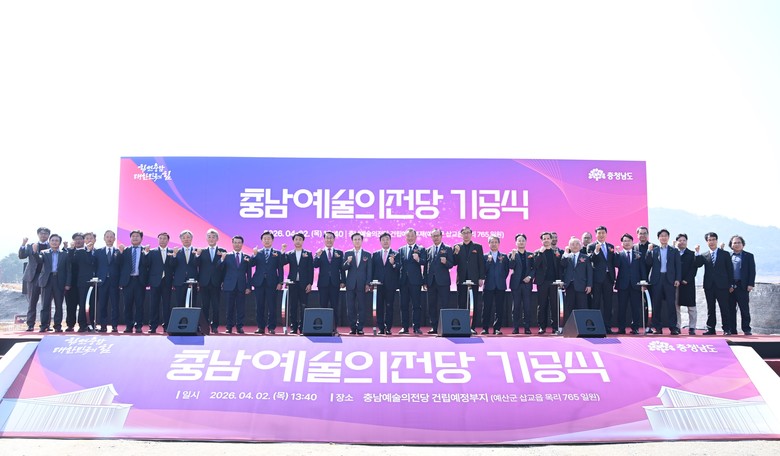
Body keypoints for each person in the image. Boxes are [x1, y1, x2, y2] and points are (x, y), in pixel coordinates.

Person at [694, 232, 734, 336]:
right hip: (709, 286)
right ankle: (711, 329)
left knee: (724, 308)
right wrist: (697, 253)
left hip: (722, 286)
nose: (711, 242)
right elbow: (698, 264)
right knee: (710, 308)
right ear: (706, 242)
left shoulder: (725, 254)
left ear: (716, 240)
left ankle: (727, 329)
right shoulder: (704, 255)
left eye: (713, 240)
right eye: (709, 240)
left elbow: (730, 270)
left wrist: (731, 284)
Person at [645, 229, 681, 335]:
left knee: (671, 304)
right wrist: (648, 251)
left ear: (668, 237)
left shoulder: (674, 250)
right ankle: (657, 327)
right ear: (658, 238)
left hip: (669, 279)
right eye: (661, 236)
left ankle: (673, 327)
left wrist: (677, 279)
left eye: (665, 236)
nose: (663, 237)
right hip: (657, 279)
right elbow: (648, 263)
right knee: (656, 304)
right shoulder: (654, 250)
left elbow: (678, 266)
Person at [250, 231, 285, 334]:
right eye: (264, 239)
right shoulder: (258, 252)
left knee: (272, 306)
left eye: (268, 238)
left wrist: (280, 282)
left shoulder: (277, 253)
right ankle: (260, 327)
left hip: (272, 282)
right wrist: (254, 255)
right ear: (262, 241)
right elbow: (251, 264)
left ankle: (271, 327)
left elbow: (280, 269)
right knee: (259, 306)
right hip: (259, 282)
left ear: (272, 240)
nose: (266, 240)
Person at [37, 234, 72, 332]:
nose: (54, 242)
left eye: (56, 240)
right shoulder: (44, 253)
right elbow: (38, 260)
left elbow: (68, 270)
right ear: (49, 242)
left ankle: (57, 325)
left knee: (59, 305)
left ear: (59, 243)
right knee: (45, 305)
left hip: (59, 280)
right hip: (47, 280)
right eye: (52, 240)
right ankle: (44, 325)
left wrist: (68, 283)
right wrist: (35, 252)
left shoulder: (65, 254)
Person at [453, 226, 485, 333]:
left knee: (473, 303)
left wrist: (481, 277)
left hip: (474, 279)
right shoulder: (457, 247)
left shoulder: (478, 247)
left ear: (471, 234)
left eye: (468, 233)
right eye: (464, 233)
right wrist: (456, 253)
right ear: (461, 235)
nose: (466, 235)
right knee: (461, 303)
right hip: (462, 278)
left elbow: (481, 263)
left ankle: (472, 327)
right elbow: (454, 262)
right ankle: (462, 326)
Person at [19, 227, 50, 331]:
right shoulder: (31, 245)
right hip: (33, 276)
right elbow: (21, 256)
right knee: (32, 302)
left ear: (48, 235)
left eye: (45, 234)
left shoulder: (52, 246)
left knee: (46, 302)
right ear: (38, 234)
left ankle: (46, 324)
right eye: (41, 233)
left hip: (46, 276)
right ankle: (30, 324)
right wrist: (23, 244)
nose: (43, 235)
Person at [313, 231, 344, 334]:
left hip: (335, 283)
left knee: (335, 306)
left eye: (331, 238)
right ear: (324, 239)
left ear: (334, 239)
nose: (329, 240)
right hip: (323, 284)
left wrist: (343, 281)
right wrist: (317, 256)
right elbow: (315, 265)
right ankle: (324, 328)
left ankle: (334, 328)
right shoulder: (320, 252)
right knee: (323, 305)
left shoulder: (339, 253)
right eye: (327, 238)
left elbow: (342, 268)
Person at [587, 226, 617, 334]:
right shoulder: (591, 246)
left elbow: (612, 262)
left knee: (608, 303)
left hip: (608, 278)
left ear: (606, 234)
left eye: (603, 233)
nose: (601, 235)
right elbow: (590, 259)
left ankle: (607, 326)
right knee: (596, 302)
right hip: (597, 279)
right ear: (596, 235)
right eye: (599, 233)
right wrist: (596, 251)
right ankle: (595, 326)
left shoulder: (610, 246)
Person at [614, 233, 646, 334]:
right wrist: (617, 255)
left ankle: (635, 327)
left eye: (629, 241)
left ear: (632, 242)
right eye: (624, 241)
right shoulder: (619, 254)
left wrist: (643, 283)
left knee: (635, 307)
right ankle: (621, 328)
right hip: (622, 285)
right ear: (622, 243)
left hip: (635, 285)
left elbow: (642, 269)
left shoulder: (638, 254)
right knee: (621, 307)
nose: (627, 243)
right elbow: (616, 264)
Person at [282, 232, 314, 334]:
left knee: (303, 305)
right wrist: (283, 252)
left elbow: (311, 270)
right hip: (293, 284)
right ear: (293, 241)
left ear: (303, 241)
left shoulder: (308, 254)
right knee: (293, 306)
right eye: (296, 239)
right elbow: (282, 262)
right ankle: (294, 327)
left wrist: (310, 283)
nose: (298, 241)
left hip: (304, 284)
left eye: (300, 239)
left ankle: (303, 327)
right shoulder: (289, 254)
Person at [341, 233, 372, 335]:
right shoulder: (347, 253)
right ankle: (353, 327)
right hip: (350, 284)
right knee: (350, 307)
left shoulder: (367, 254)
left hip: (362, 284)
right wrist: (348, 262)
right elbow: (343, 268)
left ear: (362, 241)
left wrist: (368, 283)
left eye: (359, 239)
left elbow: (369, 270)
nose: (357, 241)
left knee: (362, 307)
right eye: (355, 239)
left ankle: (360, 327)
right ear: (352, 241)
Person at [220, 235, 252, 334]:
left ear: (242, 244)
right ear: (232, 243)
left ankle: (240, 326)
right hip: (229, 285)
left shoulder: (247, 257)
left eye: (239, 242)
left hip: (241, 285)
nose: (237, 244)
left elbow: (249, 273)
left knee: (240, 307)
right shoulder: (227, 256)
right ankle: (229, 326)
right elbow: (221, 269)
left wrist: (248, 286)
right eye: (235, 242)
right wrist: (222, 259)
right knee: (229, 307)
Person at [118, 229, 148, 333]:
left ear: (141, 238)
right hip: (128, 281)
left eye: (137, 236)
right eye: (133, 236)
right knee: (127, 305)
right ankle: (128, 326)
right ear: (130, 238)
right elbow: (118, 263)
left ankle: (138, 325)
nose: (135, 238)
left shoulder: (146, 250)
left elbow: (148, 265)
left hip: (140, 281)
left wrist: (147, 254)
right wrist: (120, 253)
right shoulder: (125, 250)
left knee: (139, 305)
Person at [196, 228, 226, 333]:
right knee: (205, 305)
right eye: (209, 237)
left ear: (217, 239)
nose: (211, 239)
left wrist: (222, 259)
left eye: (213, 237)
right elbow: (196, 265)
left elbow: (223, 268)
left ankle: (215, 326)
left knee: (216, 306)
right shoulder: (202, 251)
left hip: (216, 282)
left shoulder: (222, 251)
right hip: (204, 282)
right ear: (206, 238)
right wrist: (197, 255)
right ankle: (205, 326)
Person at [397, 228, 426, 334]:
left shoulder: (421, 249)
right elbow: (399, 265)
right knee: (403, 305)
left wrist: (418, 259)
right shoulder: (401, 249)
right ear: (405, 237)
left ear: (415, 237)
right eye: (408, 236)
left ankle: (416, 327)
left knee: (416, 305)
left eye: (412, 236)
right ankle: (404, 327)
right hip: (403, 282)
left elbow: (425, 262)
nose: (410, 238)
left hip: (415, 282)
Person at [92, 230, 121, 332]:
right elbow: (94, 265)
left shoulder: (118, 251)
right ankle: (103, 325)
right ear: (104, 238)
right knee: (102, 304)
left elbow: (121, 266)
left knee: (115, 305)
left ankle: (114, 325)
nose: (109, 239)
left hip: (114, 281)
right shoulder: (98, 252)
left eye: (111, 237)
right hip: (102, 281)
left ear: (114, 239)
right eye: (107, 237)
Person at [425, 228, 453, 334]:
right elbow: (426, 267)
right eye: (433, 236)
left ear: (441, 236)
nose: (435, 238)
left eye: (437, 235)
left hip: (443, 282)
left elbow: (451, 264)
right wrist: (425, 281)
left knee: (444, 304)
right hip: (431, 282)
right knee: (432, 305)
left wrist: (446, 262)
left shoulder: (447, 248)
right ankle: (434, 326)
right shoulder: (428, 250)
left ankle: (444, 326)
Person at [146, 232, 175, 334]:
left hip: (167, 281)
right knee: (154, 304)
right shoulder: (152, 252)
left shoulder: (172, 252)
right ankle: (153, 326)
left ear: (168, 240)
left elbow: (174, 266)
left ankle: (167, 325)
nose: (162, 240)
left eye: (164, 239)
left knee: (166, 305)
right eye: (161, 238)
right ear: (158, 240)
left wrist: (174, 256)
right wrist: (146, 254)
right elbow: (147, 265)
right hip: (155, 281)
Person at [371, 232, 399, 335]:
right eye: (383, 240)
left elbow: (399, 268)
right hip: (378, 285)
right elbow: (372, 270)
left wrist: (393, 263)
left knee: (389, 306)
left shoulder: (396, 254)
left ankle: (388, 328)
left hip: (390, 285)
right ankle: (381, 328)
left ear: (390, 241)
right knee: (379, 307)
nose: (385, 241)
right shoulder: (375, 254)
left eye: (387, 239)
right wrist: (371, 283)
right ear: (380, 241)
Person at [534, 232, 562, 334]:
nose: (546, 240)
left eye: (548, 238)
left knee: (554, 306)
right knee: (542, 305)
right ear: (541, 241)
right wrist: (541, 253)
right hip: (542, 282)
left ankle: (555, 327)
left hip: (554, 282)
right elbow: (535, 265)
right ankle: (542, 327)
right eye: (544, 239)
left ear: (551, 240)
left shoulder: (557, 252)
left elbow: (561, 266)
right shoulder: (537, 252)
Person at [66, 232, 95, 332]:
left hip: (83, 282)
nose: (78, 241)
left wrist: (88, 251)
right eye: (76, 239)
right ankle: (70, 324)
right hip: (70, 282)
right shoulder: (69, 251)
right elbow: (69, 261)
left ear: (84, 240)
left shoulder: (88, 251)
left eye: (80, 239)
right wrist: (70, 250)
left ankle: (83, 325)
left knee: (83, 304)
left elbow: (89, 263)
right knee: (70, 304)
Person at [561, 237, 592, 326]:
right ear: (569, 246)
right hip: (569, 285)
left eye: (577, 244)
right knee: (569, 307)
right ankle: (569, 327)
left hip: (582, 286)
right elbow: (562, 265)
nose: (575, 246)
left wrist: (589, 285)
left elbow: (589, 272)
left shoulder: (585, 257)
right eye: (572, 244)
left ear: (580, 246)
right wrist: (565, 254)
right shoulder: (566, 257)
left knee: (582, 307)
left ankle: (583, 326)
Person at [728, 235, 755, 335]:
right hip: (731, 286)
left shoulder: (748, 256)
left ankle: (746, 329)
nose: (737, 244)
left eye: (739, 242)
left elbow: (752, 271)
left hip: (743, 285)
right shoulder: (728, 256)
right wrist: (729, 285)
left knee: (744, 309)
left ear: (743, 244)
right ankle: (732, 329)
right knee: (730, 309)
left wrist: (750, 284)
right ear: (731, 245)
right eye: (734, 243)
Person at [482, 235, 510, 335]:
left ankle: (497, 328)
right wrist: (488, 262)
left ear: (499, 244)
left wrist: (500, 279)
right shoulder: (484, 256)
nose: (494, 244)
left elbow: (506, 271)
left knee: (499, 308)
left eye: (495, 242)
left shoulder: (504, 256)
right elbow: (483, 271)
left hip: (500, 285)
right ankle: (485, 328)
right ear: (488, 244)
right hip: (489, 285)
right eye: (492, 242)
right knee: (487, 307)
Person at [509, 233, 535, 334]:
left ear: (526, 242)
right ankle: (516, 327)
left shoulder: (530, 255)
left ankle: (527, 327)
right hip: (516, 284)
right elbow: (511, 266)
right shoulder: (512, 254)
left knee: (527, 307)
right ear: (516, 242)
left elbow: (534, 269)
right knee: (516, 307)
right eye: (519, 240)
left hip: (527, 284)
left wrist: (530, 277)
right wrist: (513, 257)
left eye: (523, 240)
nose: (521, 242)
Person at [675, 233, 698, 335]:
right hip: (676, 283)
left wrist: (687, 279)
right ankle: (677, 326)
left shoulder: (692, 254)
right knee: (676, 306)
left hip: (688, 283)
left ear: (687, 242)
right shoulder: (674, 253)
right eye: (680, 240)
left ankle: (692, 327)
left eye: (684, 240)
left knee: (691, 307)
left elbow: (694, 268)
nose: (682, 242)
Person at [172, 230, 199, 308]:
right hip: (179, 282)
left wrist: (197, 255)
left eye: (188, 237)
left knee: (192, 304)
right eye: (183, 238)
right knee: (180, 304)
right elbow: (172, 265)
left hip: (193, 281)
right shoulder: (177, 252)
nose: (186, 239)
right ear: (181, 239)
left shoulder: (197, 251)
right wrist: (174, 255)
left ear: (191, 238)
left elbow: (199, 265)